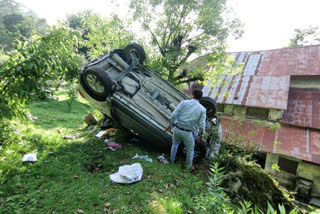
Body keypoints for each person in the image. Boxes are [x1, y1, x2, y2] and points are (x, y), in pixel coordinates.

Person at [164, 89, 206, 169]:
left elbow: (173, 115)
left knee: (175, 144)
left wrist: (170, 125)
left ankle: (172, 161)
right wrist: (201, 136)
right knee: (190, 150)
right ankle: (188, 167)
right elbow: (202, 124)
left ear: (192, 95)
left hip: (177, 129)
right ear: (200, 98)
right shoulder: (202, 109)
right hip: (188, 133)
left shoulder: (183, 102)